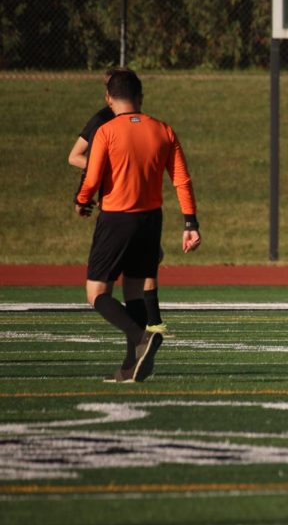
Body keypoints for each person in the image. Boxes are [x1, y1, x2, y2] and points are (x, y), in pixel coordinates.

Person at [74, 68, 200, 383]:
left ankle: (143, 337)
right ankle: (131, 366)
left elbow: (92, 177)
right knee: (133, 290)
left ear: (108, 98)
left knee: (96, 293)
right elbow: (181, 179)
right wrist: (190, 221)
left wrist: (82, 200)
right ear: (140, 97)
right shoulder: (163, 130)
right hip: (150, 220)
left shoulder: (106, 131)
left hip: (117, 218)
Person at [69, 68, 169, 335]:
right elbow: (76, 156)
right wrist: (101, 172)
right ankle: (144, 334)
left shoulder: (141, 123)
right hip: (117, 205)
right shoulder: (103, 120)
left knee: (139, 270)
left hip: (137, 206)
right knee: (127, 276)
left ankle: (149, 328)